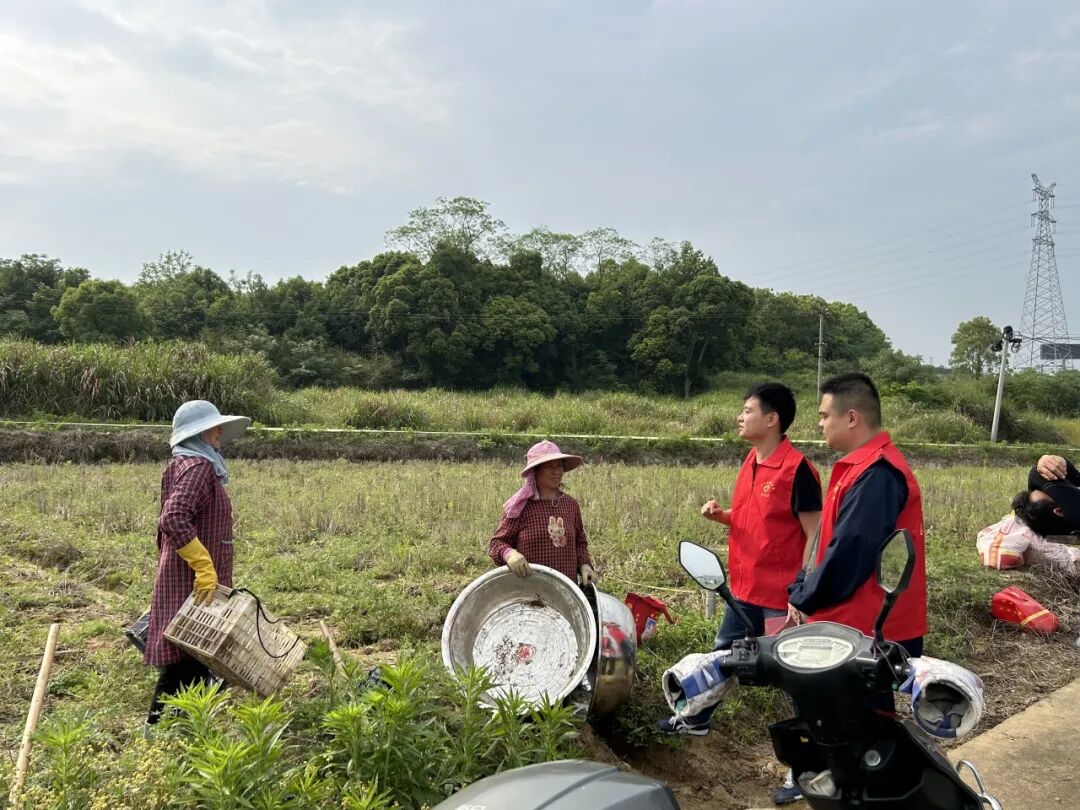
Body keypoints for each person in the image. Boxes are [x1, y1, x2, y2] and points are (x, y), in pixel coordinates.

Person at [658, 382, 822, 807]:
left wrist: (801, 591)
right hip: (743, 588)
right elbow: (757, 520)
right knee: (722, 657)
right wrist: (723, 516)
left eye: (747, 410)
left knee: (794, 681)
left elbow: (815, 534)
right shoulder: (751, 459)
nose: (740, 416)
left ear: (772, 420)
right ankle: (695, 720)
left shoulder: (797, 470)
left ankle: (805, 768)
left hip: (779, 597)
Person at [787, 372, 927, 656]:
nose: (820, 423)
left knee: (857, 703)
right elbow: (829, 541)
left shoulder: (877, 474)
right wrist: (804, 581)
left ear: (852, 418)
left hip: (864, 632)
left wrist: (804, 596)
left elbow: (850, 553)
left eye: (825, 416)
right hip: (854, 626)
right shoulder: (860, 468)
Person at [144, 400, 250, 727]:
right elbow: (173, 518)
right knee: (185, 659)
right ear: (200, 433)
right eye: (214, 427)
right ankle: (159, 735)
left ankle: (184, 731)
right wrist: (204, 567)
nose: (220, 432)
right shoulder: (199, 468)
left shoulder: (186, 464)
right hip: (192, 581)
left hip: (186, 577)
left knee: (194, 658)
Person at [488, 440, 597, 586]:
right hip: (528, 591)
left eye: (559, 466)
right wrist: (510, 554)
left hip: (566, 591)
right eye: (549, 467)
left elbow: (580, 543)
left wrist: (585, 565)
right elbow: (497, 544)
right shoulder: (521, 506)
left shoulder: (570, 505)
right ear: (535, 471)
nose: (556, 471)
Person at [1011, 454, 1080, 538]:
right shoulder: (1076, 512)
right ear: (1060, 511)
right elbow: (1036, 474)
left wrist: (1050, 462)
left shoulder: (1071, 502)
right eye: (1049, 490)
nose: (1049, 483)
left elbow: (1076, 479)